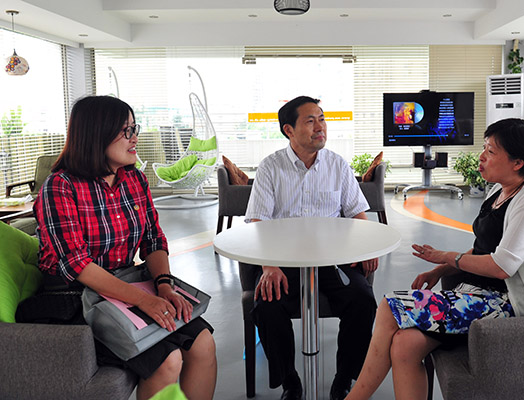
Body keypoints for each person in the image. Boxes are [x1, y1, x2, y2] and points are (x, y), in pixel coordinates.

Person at [346, 118, 524, 400]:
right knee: (404, 344)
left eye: (491, 151)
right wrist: (440, 269)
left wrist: (445, 255)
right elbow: (484, 250)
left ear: (518, 162)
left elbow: (501, 266)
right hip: (479, 293)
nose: (481, 157)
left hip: (509, 305)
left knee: (390, 305)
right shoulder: (500, 190)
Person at [33, 95, 217, 400]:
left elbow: (153, 240)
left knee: (203, 344)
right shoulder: (60, 186)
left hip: (126, 285)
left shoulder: (134, 179)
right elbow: (77, 265)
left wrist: (164, 285)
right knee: (167, 360)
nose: (135, 138)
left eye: (135, 128)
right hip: (78, 297)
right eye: (126, 131)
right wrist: (144, 300)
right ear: (97, 134)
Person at [244, 96, 379, 400]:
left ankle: (344, 379)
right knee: (266, 306)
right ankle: (290, 382)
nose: (320, 127)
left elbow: (357, 213)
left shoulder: (337, 165)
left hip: (332, 260)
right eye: (310, 121)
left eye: (322, 119)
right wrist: (268, 266)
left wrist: (367, 246)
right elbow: (258, 223)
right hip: (282, 261)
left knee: (362, 300)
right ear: (289, 130)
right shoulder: (270, 168)